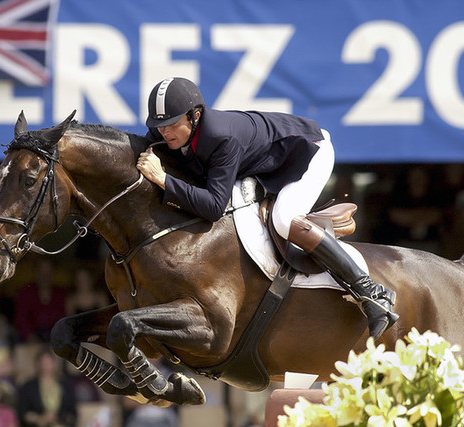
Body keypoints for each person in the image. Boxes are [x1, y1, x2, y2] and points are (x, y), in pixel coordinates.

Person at [136, 77, 398, 339]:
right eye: (159, 126)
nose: (164, 132)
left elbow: (214, 206)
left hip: (307, 154)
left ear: (194, 116)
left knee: (284, 219)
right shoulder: (167, 133)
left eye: (171, 124)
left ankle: (371, 292)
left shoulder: (220, 137)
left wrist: (163, 180)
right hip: (264, 166)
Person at [16, 347, 78, 427]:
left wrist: (57, 418)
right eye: (43, 362)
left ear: (54, 364)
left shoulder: (65, 386)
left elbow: (72, 413)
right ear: (37, 364)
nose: (46, 365)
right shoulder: (28, 386)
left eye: (48, 362)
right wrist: (39, 419)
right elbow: (22, 412)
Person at [12, 257, 66, 343]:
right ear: (36, 273)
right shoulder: (25, 293)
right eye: (42, 272)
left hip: (55, 338)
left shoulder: (60, 294)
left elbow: (64, 320)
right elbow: (21, 319)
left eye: (48, 272)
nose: (45, 276)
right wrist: (31, 338)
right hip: (30, 338)